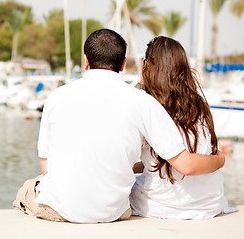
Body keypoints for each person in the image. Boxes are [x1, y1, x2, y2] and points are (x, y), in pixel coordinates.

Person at [13, 29, 225, 223]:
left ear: (85, 61)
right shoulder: (144, 102)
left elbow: (46, 166)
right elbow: (177, 161)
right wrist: (220, 158)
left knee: (28, 188)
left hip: (63, 209)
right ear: (123, 64)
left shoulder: (56, 97)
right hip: (114, 212)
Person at [129, 36, 234, 219]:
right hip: (209, 203)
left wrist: (221, 160)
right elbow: (159, 161)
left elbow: (185, 165)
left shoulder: (150, 106)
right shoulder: (198, 104)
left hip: (169, 206)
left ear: (148, 67)